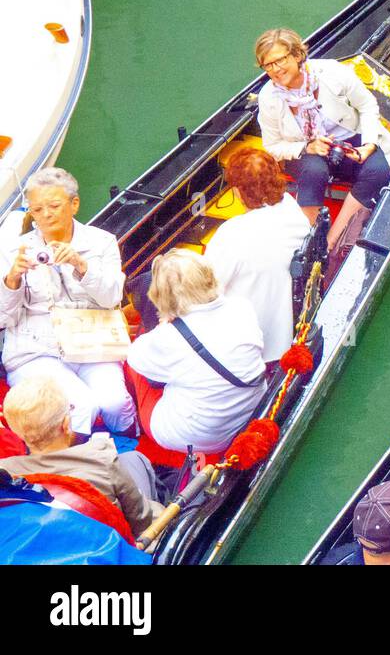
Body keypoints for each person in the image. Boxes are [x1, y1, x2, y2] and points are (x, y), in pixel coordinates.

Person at [0, 168, 134, 437]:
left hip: (92, 342)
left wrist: (81, 265)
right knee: (81, 406)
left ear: (74, 204)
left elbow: (112, 298)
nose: (46, 215)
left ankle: (130, 444)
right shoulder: (14, 250)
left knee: (114, 403)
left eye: (54, 206)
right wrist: (12, 279)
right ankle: (77, 465)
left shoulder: (102, 242)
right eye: (37, 210)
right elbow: (4, 319)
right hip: (36, 350)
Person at [254, 28, 390, 251]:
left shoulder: (332, 72)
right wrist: (307, 146)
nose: (276, 69)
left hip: (350, 140)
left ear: (296, 55)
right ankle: (307, 241)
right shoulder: (268, 97)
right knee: (314, 171)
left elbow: (367, 106)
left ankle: (331, 242)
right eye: (268, 65)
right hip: (306, 151)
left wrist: (368, 146)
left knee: (378, 171)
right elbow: (273, 146)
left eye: (280, 60)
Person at [124, 249, 265, 455]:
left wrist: (161, 327)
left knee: (136, 361)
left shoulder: (167, 338)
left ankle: (132, 427)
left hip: (195, 436)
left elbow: (134, 356)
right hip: (248, 412)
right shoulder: (241, 307)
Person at [0, 376, 163, 539]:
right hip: (110, 548)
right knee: (134, 459)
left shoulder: (5, 472)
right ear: (65, 423)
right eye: (70, 408)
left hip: (45, 543)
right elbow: (141, 522)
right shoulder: (102, 457)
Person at [204, 147, 310, 364]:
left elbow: (204, 291)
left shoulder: (231, 234)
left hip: (241, 344)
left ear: (238, 191)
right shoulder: (291, 209)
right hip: (282, 336)